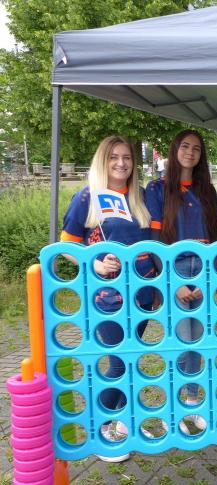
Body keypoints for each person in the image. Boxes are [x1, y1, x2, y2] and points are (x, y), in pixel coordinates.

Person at [60, 135, 154, 463]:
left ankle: (124, 424)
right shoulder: (87, 196)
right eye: (114, 157)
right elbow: (67, 245)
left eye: (127, 157)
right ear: (103, 161)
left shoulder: (139, 196)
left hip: (141, 294)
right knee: (118, 363)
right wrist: (95, 263)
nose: (121, 163)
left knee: (131, 360)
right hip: (108, 296)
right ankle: (101, 432)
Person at [145, 130, 217, 437]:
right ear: (174, 150)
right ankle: (172, 408)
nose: (191, 152)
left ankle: (193, 402)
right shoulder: (157, 189)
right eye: (185, 146)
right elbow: (153, 239)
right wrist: (171, 281)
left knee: (198, 341)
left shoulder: (207, 190)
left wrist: (209, 276)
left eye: (197, 148)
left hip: (202, 271)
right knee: (179, 340)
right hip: (173, 270)